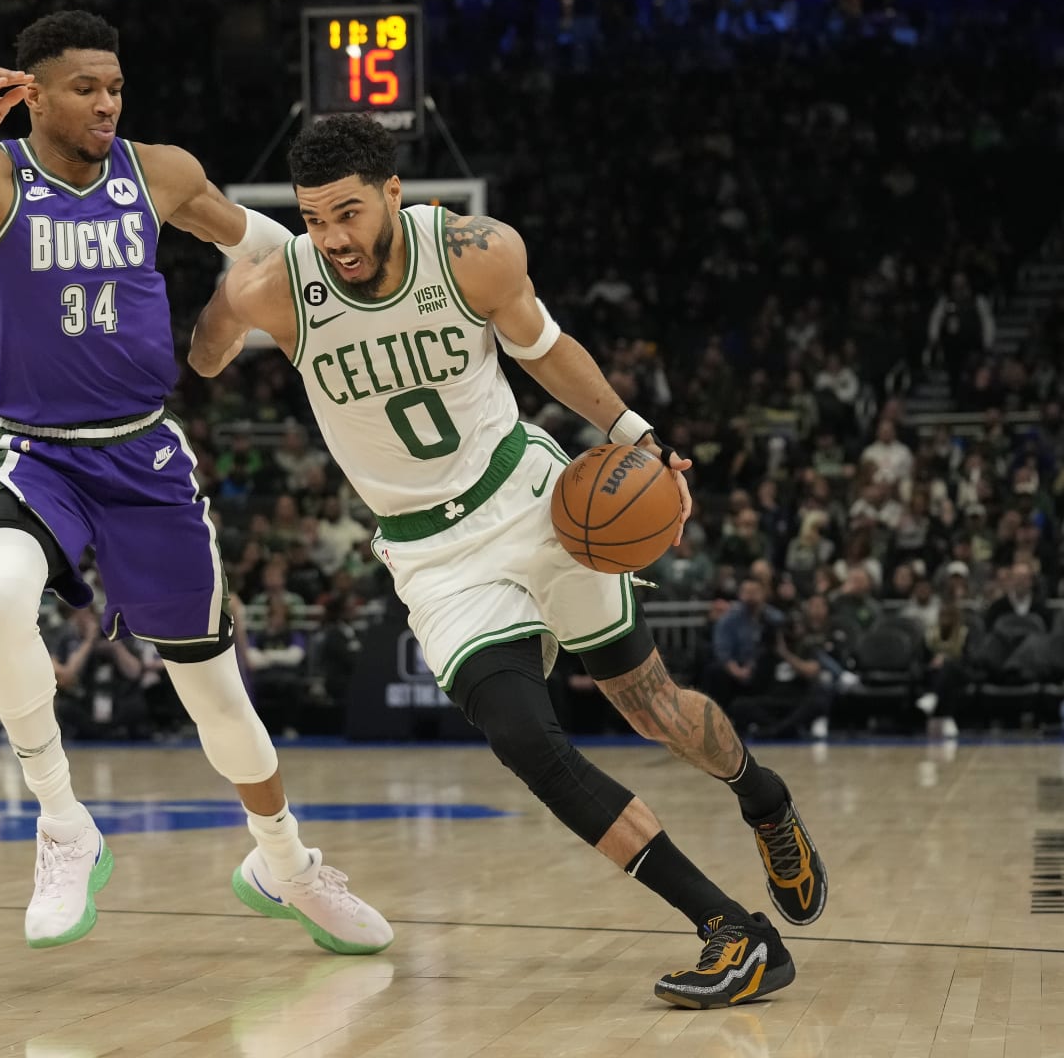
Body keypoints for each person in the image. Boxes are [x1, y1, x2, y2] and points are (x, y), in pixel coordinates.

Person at [188, 113, 829, 1008]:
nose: (333, 237)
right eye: (313, 217)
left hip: (533, 501)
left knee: (655, 710)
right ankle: (732, 930)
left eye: (349, 213)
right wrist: (229, 301)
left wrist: (640, 438)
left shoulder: (473, 252)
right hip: (433, 554)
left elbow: (547, 353)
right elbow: (206, 358)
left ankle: (762, 799)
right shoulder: (282, 284)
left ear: (393, 195)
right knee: (527, 739)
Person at [0, 9, 391, 954]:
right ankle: (65, 824)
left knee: (216, 696)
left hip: (144, 454)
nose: (107, 101)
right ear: (33, 92)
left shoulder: (160, 171)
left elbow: (261, 245)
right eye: (85, 87)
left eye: (115, 86)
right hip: (31, 448)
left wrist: (269, 309)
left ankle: (285, 864)